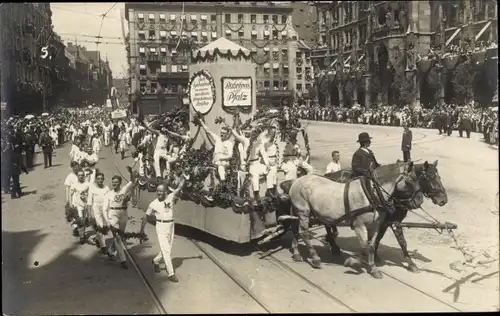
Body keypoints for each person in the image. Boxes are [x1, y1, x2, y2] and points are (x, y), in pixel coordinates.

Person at [139, 176, 187, 282]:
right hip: (160, 226)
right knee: (166, 251)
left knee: (167, 248)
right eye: (157, 191)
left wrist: (184, 178)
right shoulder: (153, 204)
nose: (159, 193)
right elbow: (145, 217)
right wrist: (141, 231)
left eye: (161, 191)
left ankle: (156, 261)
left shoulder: (170, 197)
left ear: (165, 191)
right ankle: (171, 273)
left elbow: (179, 188)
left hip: (171, 225)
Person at [102, 169, 137, 269]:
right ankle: (123, 260)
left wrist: (131, 172)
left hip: (123, 214)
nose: (114, 184)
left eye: (116, 182)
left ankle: (110, 251)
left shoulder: (124, 190)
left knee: (120, 236)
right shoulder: (108, 194)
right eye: (113, 182)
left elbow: (132, 181)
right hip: (113, 215)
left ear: (120, 183)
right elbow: (105, 209)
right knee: (117, 237)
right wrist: (108, 221)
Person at [87, 171, 110, 254]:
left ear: (103, 179)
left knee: (106, 226)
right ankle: (103, 246)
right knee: (100, 227)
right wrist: (90, 214)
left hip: (105, 210)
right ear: (96, 180)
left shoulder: (106, 188)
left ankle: (96, 238)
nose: (100, 180)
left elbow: (110, 200)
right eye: (98, 179)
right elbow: (89, 203)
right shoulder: (92, 189)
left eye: (101, 179)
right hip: (96, 210)